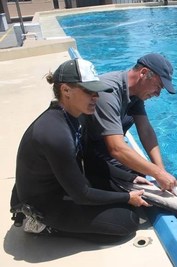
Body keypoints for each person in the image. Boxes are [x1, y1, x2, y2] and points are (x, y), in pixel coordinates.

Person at [10, 58, 151, 240]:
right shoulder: (55, 133)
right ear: (66, 90)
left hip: (62, 185)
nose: (96, 98)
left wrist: (131, 177)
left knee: (125, 195)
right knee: (126, 221)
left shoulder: (77, 117)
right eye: (89, 91)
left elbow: (91, 159)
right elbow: (82, 194)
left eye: (97, 91)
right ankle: (41, 225)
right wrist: (127, 197)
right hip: (43, 203)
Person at [82, 53, 177, 195]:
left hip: (107, 151)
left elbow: (145, 130)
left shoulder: (135, 93)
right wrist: (157, 173)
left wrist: (161, 170)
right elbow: (116, 149)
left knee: (141, 174)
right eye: (158, 86)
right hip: (89, 155)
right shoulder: (108, 92)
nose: (158, 94)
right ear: (144, 73)